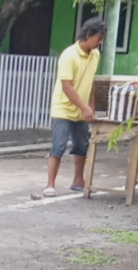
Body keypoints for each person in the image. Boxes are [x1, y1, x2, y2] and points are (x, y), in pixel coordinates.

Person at [37, 15, 107, 199]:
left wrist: (90, 106)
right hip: (63, 108)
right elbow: (67, 86)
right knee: (58, 146)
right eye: (98, 38)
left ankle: (78, 180)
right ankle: (50, 184)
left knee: (82, 145)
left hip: (82, 108)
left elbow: (89, 81)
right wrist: (84, 107)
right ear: (89, 34)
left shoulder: (95, 55)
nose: (100, 43)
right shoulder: (68, 55)